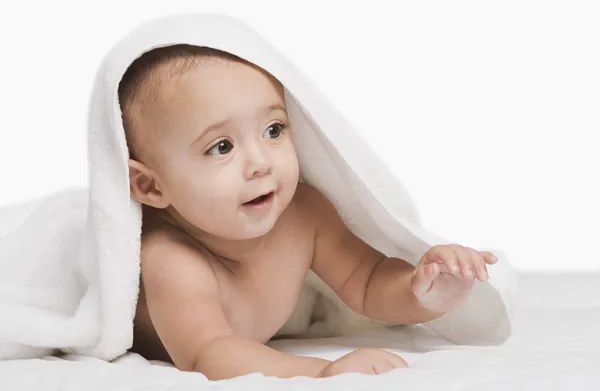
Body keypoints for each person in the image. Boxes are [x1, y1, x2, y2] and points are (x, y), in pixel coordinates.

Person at [118, 44, 498, 380]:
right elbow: (209, 352)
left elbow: (367, 280)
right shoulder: (170, 259)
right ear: (152, 186)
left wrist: (424, 292)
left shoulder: (303, 215)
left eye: (273, 129)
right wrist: (321, 371)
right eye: (221, 147)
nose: (260, 163)